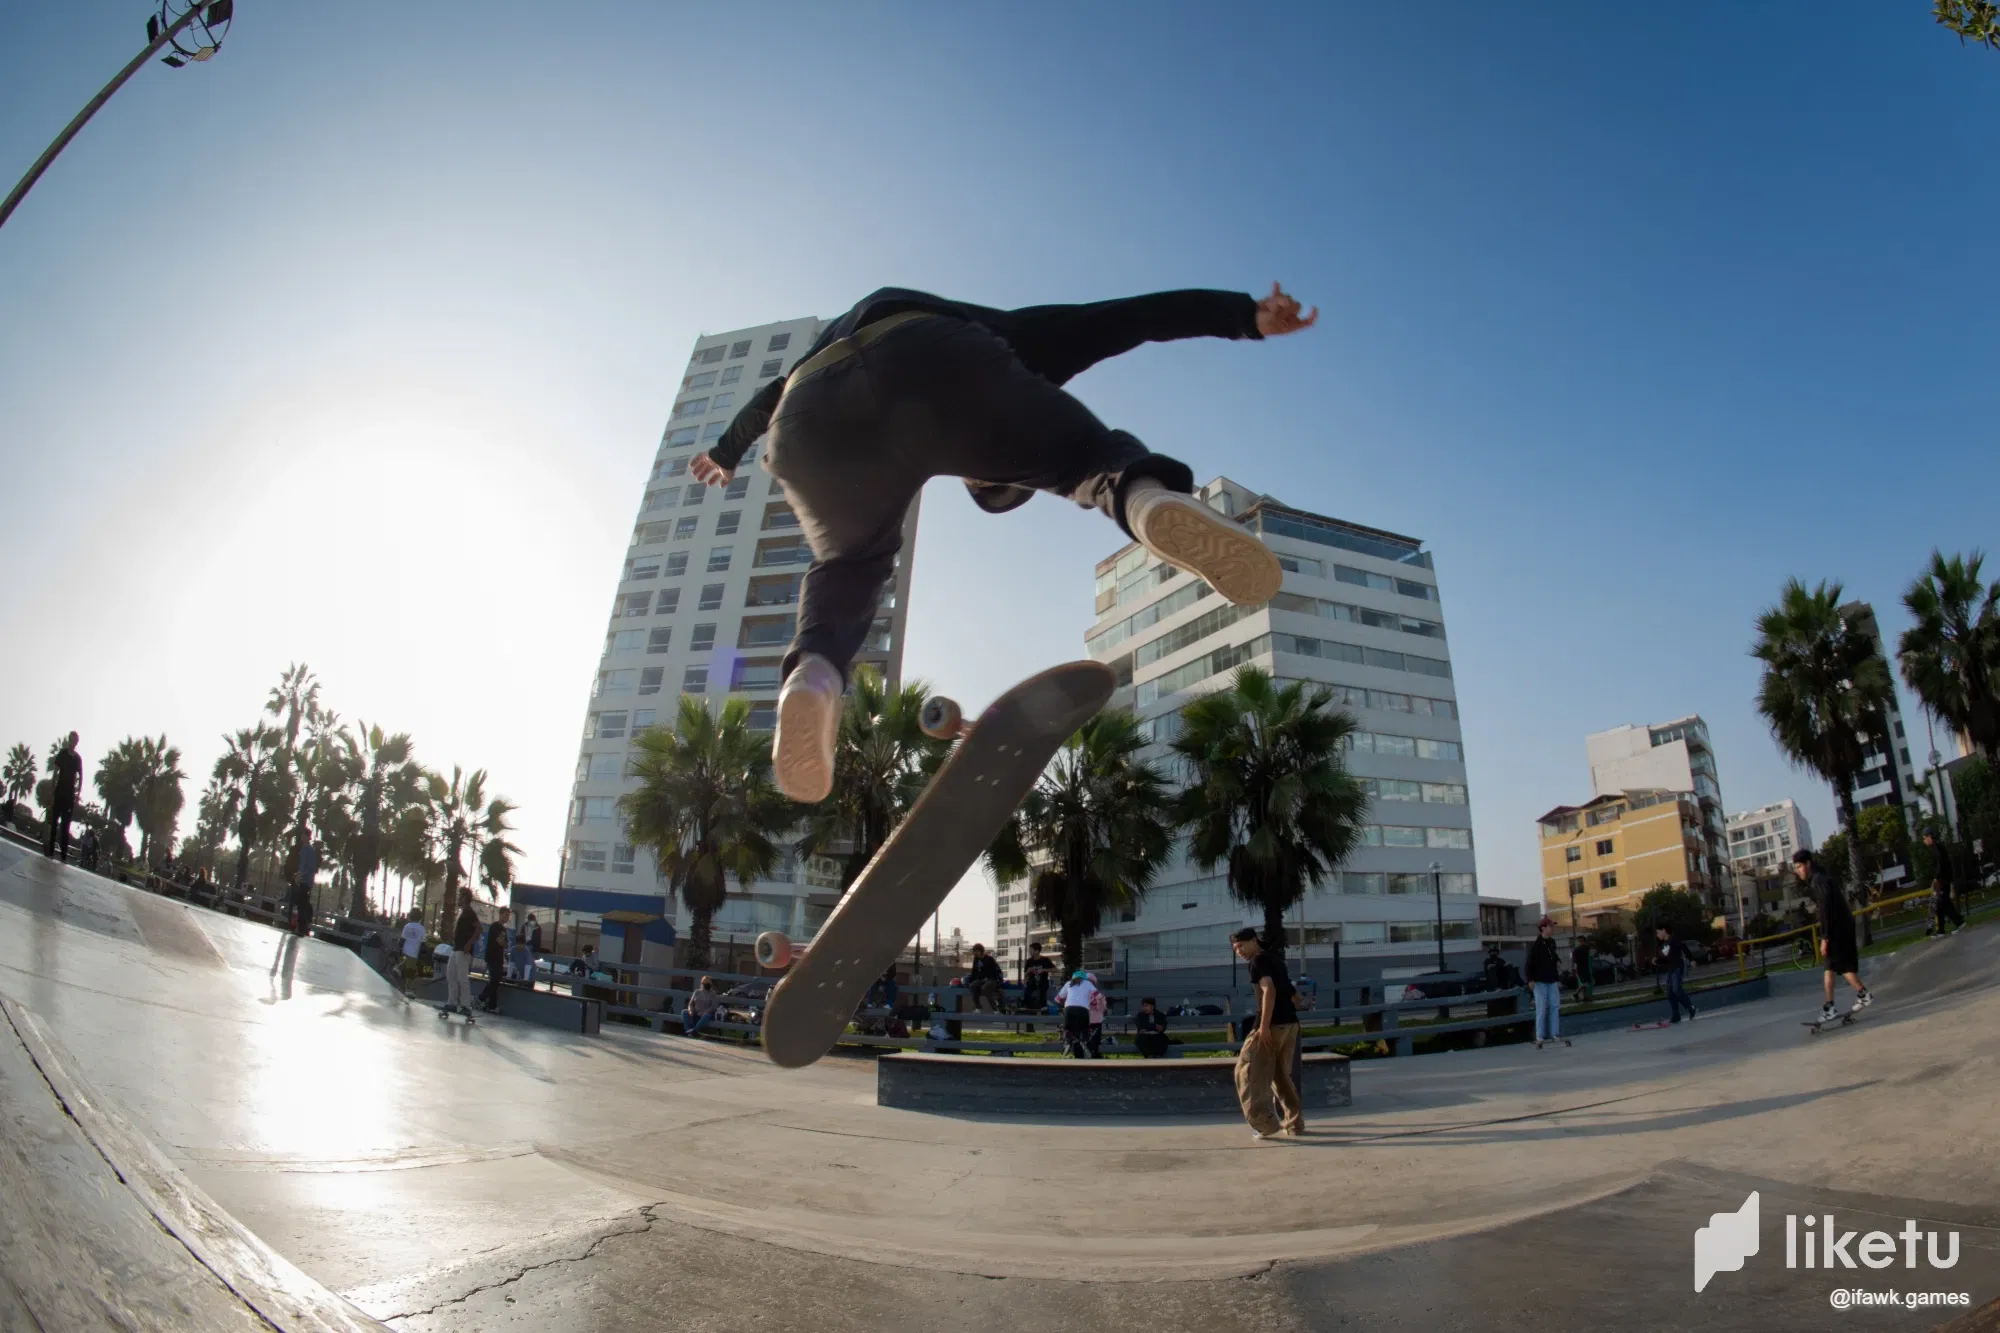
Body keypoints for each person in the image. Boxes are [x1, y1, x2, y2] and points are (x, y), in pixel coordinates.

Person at [691, 282, 1318, 803]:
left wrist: (725, 451)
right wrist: (1242, 318)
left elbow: (762, 402)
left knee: (847, 563)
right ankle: (1139, 496)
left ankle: (815, 676)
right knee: (1087, 459)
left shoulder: (827, 348)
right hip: (935, 354)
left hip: (805, 409)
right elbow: (1125, 320)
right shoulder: (1012, 339)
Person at [1230, 927, 1305, 1139]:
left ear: (1253, 941)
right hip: (1290, 1024)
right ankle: (1294, 1123)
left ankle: (1265, 1124)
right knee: (1281, 1076)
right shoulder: (1275, 959)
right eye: (1235, 949)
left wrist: (1263, 1028)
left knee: (1247, 1072)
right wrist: (1297, 1006)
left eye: (1241, 946)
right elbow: (1292, 993)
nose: (1239, 951)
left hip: (1271, 1025)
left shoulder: (1258, 961)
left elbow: (1269, 990)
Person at [1796, 849, 1872, 1022]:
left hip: (1837, 929)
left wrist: (1825, 938)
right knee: (1830, 967)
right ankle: (1830, 1006)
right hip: (1841, 926)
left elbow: (1825, 911)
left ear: (1808, 864)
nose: (1798, 870)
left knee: (1841, 966)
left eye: (1800, 866)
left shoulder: (1818, 880)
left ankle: (1863, 995)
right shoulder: (1822, 877)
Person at [1524, 916, 1569, 1048]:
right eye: (1550, 926)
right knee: (1542, 1008)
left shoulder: (1552, 942)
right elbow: (1529, 964)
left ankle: (1555, 1034)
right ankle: (1540, 1036)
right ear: (1543, 928)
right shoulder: (1536, 945)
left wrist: (1558, 975)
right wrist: (1530, 979)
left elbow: (1553, 960)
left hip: (1552, 979)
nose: (1552, 928)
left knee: (1555, 1006)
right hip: (1539, 981)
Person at [43, 732, 83, 862]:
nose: (73, 743)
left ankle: (63, 854)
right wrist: (52, 791)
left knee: (66, 824)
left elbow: (80, 776)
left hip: (69, 794)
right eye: (71, 740)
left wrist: (78, 794)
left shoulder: (77, 758)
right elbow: (56, 772)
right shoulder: (62, 754)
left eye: (75, 741)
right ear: (69, 741)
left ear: (76, 742)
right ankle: (50, 851)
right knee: (54, 821)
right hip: (59, 791)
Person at [443, 897, 480, 1020]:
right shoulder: (463, 912)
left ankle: (466, 1006)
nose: (458, 899)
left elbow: (479, 928)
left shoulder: (470, 912)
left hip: (463, 950)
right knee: (451, 974)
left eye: (461, 897)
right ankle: (452, 1003)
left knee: (462, 977)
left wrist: (469, 943)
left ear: (465, 898)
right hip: (456, 948)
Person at [1923, 829, 1966, 936]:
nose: (1924, 840)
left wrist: (1936, 879)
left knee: (1944, 902)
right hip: (1943, 879)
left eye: (1924, 838)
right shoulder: (1935, 848)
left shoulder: (1937, 848)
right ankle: (1940, 930)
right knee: (1939, 904)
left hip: (1943, 880)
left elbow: (1941, 865)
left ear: (1929, 837)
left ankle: (1960, 922)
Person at [1653, 924, 1697, 1023]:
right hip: (1670, 969)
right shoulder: (1662, 945)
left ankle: (1691, 1008)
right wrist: (1657, 961)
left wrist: (1691, 959)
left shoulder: (1673, 939)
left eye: (1658, 932)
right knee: (1669, 993)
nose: (1657, 934)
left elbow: (1683, 947)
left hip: (1677, 966)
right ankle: (1676, 1015)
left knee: (1677, 989)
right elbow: (1665, 959)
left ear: (1664, 930)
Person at [1055, 969, 1100, 1059]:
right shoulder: (1088, 983)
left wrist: (1063, 1002)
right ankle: (1084, 1041)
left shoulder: (1068, 983)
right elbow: (1098, 996)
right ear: (1084, 978)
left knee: (1069, 1029)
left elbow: (1057, 998)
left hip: (1069, 1009)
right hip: (1083, 1010)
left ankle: (1068, 1041)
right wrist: (1093, 1002)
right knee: (1083, 1030)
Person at [480, 907, 512, 1013]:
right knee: (495, 978)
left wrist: (503, 943)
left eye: (508, 915)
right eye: (506, 915)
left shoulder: (504, 929)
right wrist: (502, 942)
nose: (507, 917)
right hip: (492, 956)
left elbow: (505, 944)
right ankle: (482, 997)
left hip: (499, 957)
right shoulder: (495, 926)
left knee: (496, 980)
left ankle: (492, 1006)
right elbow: (499, 941)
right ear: (501, 914)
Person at [965, 943, 1004, 1013]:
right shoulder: (976, 959)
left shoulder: (989, 959)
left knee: (985, 988)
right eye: (973, 951)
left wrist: (986, 978)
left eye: (975, 951)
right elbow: (974, 972)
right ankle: (978, 1007)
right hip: (982, 980)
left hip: (992, 979)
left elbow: (994, 972)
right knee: (972, 986)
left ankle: (995, 1008)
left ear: (980, 951)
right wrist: (971, 980)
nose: (974, 953)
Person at [397, 907, 426, 997]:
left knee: (408, 964)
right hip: (414, 951)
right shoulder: (421, 928)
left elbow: (402, 939)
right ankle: (408, 989)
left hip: (406, 949)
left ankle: (398, 968)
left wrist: (399, 949)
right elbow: (423, 943)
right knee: (411, 971)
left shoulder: (407, 926)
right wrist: (423, 954)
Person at [524, 914, 545, 989]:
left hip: (529, 948)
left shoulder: (536, 927)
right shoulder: (536, 927)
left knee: (528, 966)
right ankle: (528, 983)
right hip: (530, 948)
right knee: (530, 967)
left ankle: (527, 982)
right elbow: (537, 940)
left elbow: (537, 940)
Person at [1571, 936, 1594, 1002]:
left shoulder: (1584, 948)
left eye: (1579, 941)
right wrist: (1573, 969)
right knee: (1585, 983)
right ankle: (1575, 994)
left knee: (1587, 983)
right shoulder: (1578, 949)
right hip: (1581, 968)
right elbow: (1574, 960)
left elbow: (1591, 948)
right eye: (1579, 941)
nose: (1579, 942)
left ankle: (1584, 997)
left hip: (1584, 967)